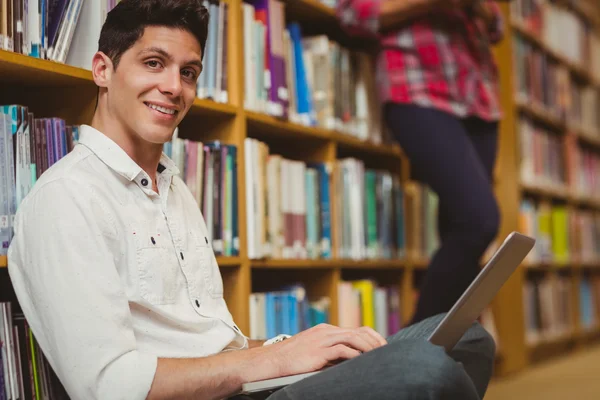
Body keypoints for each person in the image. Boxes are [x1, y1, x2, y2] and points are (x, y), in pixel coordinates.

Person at [8, 0, 495, 399]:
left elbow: (218, 343)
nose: (173, 87)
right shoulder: (66, 198)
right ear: (102, 70)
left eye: (189, 71)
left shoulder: (171, 187)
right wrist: (273, 360)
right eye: (153, 63)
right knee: (424, 368)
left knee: (462, 337)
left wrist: (298, 347)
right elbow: (108, 386)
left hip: (248, 382)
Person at [337, 0, 505, 324]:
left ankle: (448, 360)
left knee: (460, 234)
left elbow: (497, 26)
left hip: (478, 96)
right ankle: (414, 347)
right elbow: (351, 13)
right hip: (415, 84)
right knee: (478, 221)